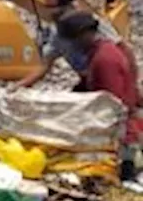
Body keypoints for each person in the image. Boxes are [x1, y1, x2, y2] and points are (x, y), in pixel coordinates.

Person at [58, 11, 143, 144]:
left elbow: (112, 104)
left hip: (122, 134)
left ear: (84, 34)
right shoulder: (103, 52)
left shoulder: (104, 60)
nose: (72, 45)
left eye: (73, 39)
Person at [19, 0, 122, 88]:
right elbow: (45, 65)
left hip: (109, 75)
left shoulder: (91, 22)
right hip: (88, 79)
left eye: (55, 7)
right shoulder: (56, 34)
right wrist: (19, 85)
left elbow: (122, 47)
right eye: (48, 7)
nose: (51, 12)